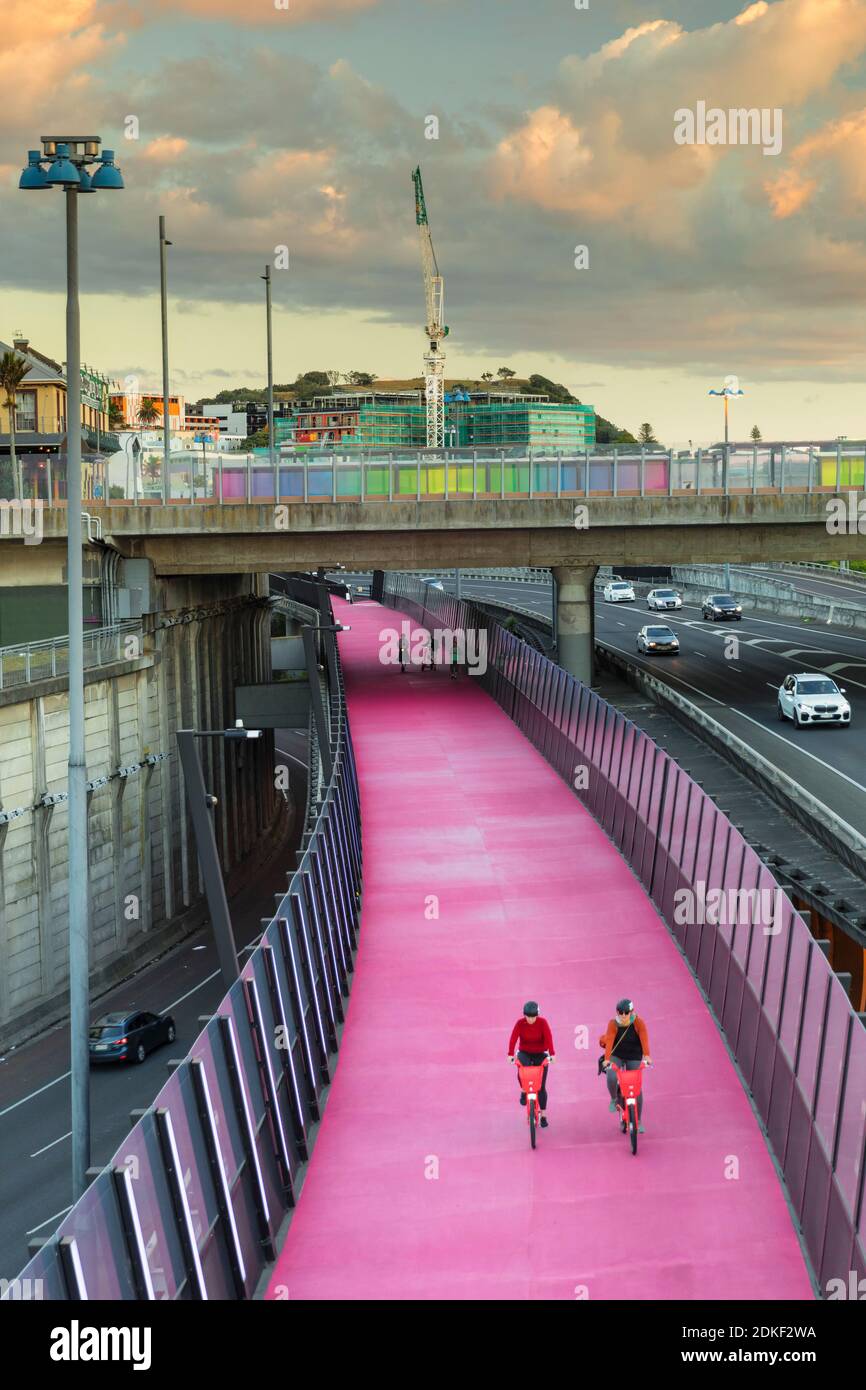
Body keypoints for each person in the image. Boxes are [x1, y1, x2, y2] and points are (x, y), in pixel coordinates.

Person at [600, 998, 651, 1132]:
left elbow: (644, 1038)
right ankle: (614, 1098)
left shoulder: (638, 1023)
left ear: (631, 1012)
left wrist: (647, 1055)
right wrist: (606, 1059)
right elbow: (610, 1040)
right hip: (617, 1054)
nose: (623, 1015)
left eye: (626, 1012)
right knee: (611, 1076)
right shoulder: (613, 1024)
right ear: (617, 1012)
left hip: (634, 1055)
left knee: (637, 1088)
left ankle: (638, 1121)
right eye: (620, 1012)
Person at [507, 1001, 555, 1128]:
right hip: (525, 1052)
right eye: (528, 1016)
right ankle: (523, 1090)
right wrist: (510, 1054)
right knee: (521, 1070)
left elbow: (549, 1038)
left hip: (541, 1053)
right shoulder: (520, 1023)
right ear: (524, 1015)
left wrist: (552, 1054)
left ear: (537, 1015)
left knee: (541, 1086)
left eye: (533, 1016)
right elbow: (513, 1038)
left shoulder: (542, 1023)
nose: (530, 1019)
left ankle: (543, 1115)